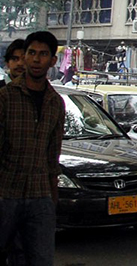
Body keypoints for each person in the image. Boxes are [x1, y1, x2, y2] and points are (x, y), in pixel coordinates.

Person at [0, 31, 65, 266]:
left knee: (41, 259)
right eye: (32, 53)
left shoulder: (55, 103)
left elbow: (52, 154)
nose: (37, 60)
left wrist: (52, 197)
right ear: (25, 57)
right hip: (6, 192)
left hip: (40, 196)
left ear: (52, 61)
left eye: (43, 54)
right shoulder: (5, 97)